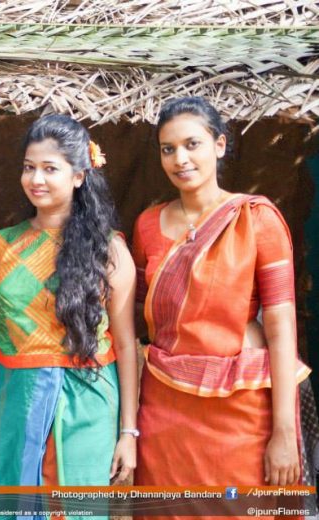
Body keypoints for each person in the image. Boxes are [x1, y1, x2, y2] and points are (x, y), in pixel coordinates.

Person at [132, 97, 310, 517]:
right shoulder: (146, 225)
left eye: (192, 144)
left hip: (241, 409)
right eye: (168, 149)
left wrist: (284, 432)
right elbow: (137, 313)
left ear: (220, 145)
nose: (180, 159)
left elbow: (282, 329)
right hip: (164, 410)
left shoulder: (256, 219)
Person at [0, 115, 139, 509]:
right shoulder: (2, 246)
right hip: (15, 401)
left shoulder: (110, 250)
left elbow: (126, 344)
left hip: (89, 402)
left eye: (50, 168)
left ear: (79, 175)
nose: (36, 179)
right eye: (29, 167)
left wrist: (128, 432)